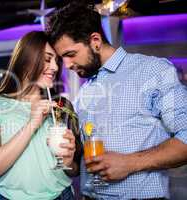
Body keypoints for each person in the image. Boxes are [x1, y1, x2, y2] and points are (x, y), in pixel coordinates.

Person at [46, 1, 187, 199]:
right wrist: (70, 160)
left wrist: (130, 163)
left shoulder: (154, 72)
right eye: (63, 58)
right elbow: (79, 167)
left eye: (70, 54)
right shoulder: (84, 94)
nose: (67, 65)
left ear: (95, 40)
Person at [0, 31, 82, 200]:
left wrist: (69, 162)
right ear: (26, 59)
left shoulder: (61, 106)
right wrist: (33, 123)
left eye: (56, 61)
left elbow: (75, 170)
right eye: (48, 59)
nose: (55, 67)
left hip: (63, 195)